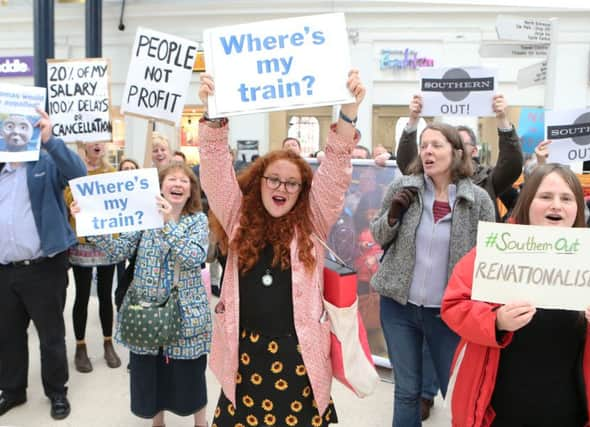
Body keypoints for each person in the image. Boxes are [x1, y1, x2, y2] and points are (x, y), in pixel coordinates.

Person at [198, 69, 365, 427]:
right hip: (243, 356)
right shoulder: (237, 217)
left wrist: (348, 113)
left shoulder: (312, 222)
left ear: (302, 192)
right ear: (259, 182)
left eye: (292, 183)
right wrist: (213, 116)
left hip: (299, 356)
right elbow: (213, 168)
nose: (282, 188)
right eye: (274, 179)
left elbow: (335, 170)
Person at [441, 163, 590, 427]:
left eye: (566, 198)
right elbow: (453, 305)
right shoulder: (498, 249)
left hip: (570, 408)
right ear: (527, 201)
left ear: (578, 208)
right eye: (546, 197)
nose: (556, 206)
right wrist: (496, 321)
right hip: (500, 406)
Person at [370, 122, 495, 427]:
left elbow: (489, 259)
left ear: (456, 152)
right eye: (424, 145)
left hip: (451, 314)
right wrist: (393, 216)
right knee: (407, 391)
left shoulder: (478, 201)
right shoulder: (402, 188)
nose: (427, 150)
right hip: (399, 308)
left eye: (436, 145)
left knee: (455, 393)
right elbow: (379, 235)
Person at [71, 162, 212, 427]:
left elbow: (194, 257)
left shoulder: (197, 221)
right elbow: (117, 251)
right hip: (145, 312)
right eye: (172, 179)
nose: (178, 184)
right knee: (151, 372)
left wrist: (169, 223)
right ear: (159, 187)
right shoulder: (143, 219)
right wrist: (89, 224)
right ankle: (157, 422)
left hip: (185, 314)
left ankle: (200, 423)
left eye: (185, 181)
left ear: (192, 190)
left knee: (189, 374)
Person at [0, 109, 86, 419]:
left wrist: (51, 141)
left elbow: (79, 173)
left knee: (50, 336)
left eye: (21, 126)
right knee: (7, 334)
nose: (14, 132)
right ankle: (12, 390)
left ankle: (56, 392)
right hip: (5, 269)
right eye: (7, 126)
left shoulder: (45, 163)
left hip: (43, 267)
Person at [396, 94, 523, 221]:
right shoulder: (429, 177)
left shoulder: (485, 180)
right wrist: (413, 119)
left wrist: (502, 118)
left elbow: (511, 165)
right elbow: (408, 164)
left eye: (463, 143)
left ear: (473, 151)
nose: (457, 148)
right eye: (452, 143)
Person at [64, 142, 121, 373]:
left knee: (106, 295)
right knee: (82, 296)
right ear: (83, 145)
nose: (97, 145)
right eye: (93, 141)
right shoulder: (74, 173)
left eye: (101, 140)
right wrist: (71, 205)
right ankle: (80, 347)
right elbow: (67, 199)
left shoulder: (112, 173)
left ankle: (108, 343)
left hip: (107, 241)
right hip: (82, 243)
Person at [114, 157, 141, 310]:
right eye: (126, 169)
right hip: (120, 239)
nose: (129, 171)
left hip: (137, 241)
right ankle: (120, 303)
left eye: (132, 168)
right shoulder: (115, 192)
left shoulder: (143, 190)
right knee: (120, 273)